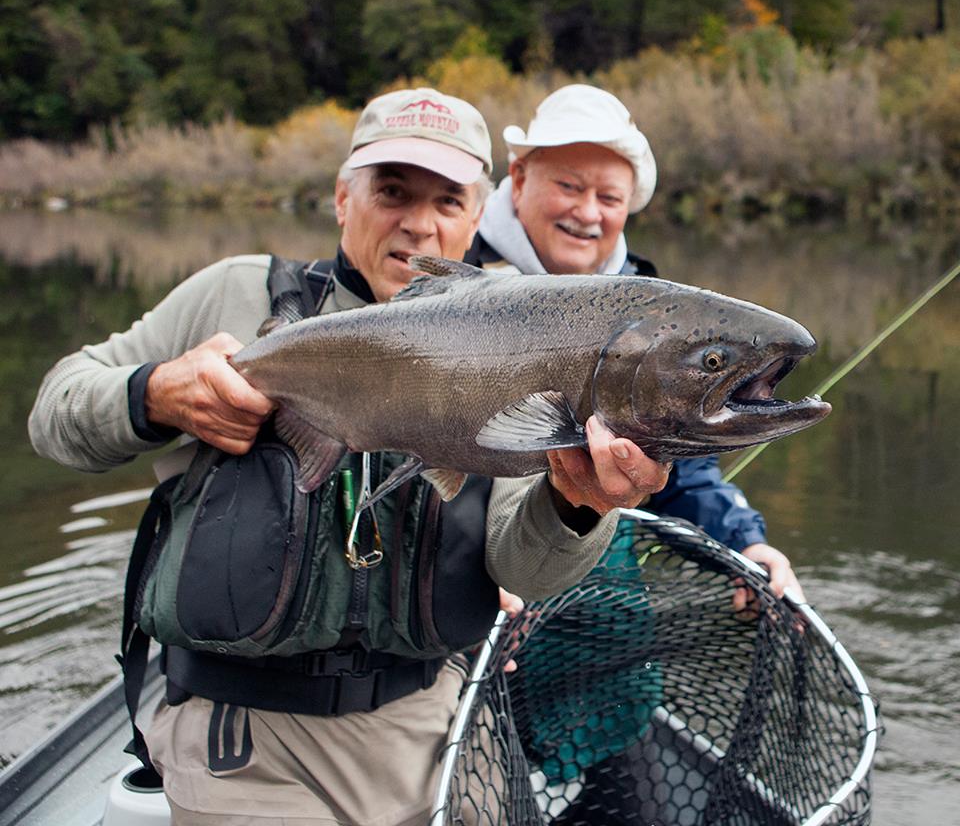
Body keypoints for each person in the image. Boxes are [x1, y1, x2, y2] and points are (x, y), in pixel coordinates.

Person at [28, 86, 670, 826]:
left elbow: (525, 569)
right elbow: (56, 413)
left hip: (439, 727)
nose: (418, 224)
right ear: (343, 196)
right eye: (392, 191)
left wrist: (580, 502)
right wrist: (152, 394)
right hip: (248, 743)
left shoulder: (521, 330)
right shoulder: (233, 293)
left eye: (448, 200)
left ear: (478, 213)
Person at [466, 84, 805, 823]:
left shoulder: (654, 309)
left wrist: (746, 542)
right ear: (517, 179)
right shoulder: (447, 272)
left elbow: (688, 461)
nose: (589, 212)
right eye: (569, 185)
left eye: (608, 196)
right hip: (464, 607)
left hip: (593, 608)